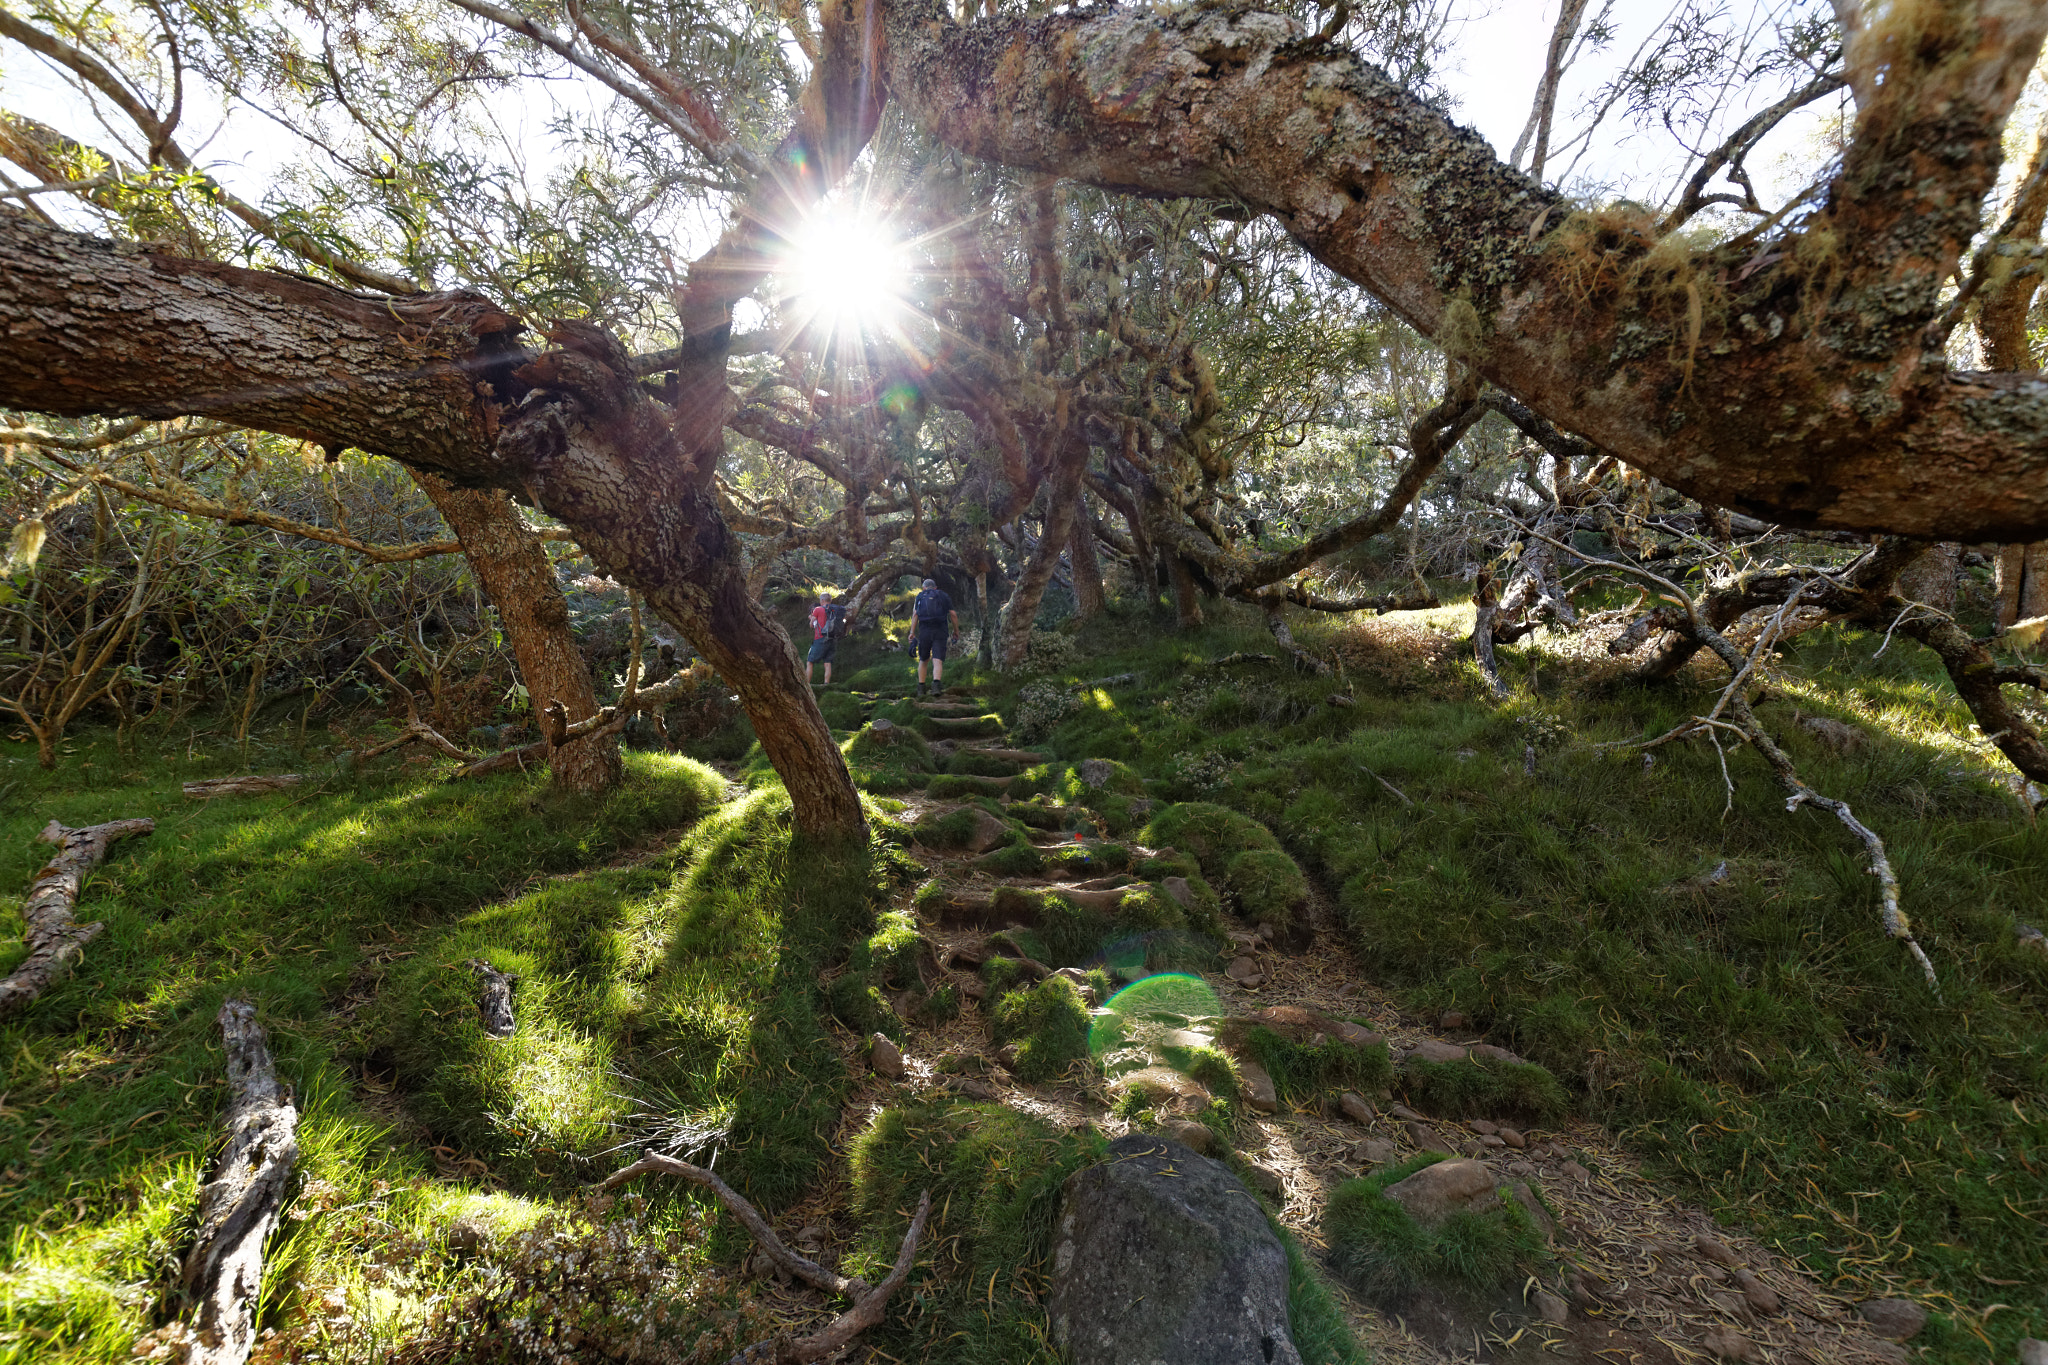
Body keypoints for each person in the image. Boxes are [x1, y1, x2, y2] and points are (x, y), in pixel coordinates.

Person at [911, 577, 959, 697]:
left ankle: (921, 688)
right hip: (940, 630)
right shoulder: (943, 595)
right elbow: (953, 614)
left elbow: (915, 614)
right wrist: (956, 631)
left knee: (923, 659)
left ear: (924, 588)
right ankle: (936, 686)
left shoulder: (920, 596)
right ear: (936, 587)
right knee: (937, 659)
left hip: (924, 631)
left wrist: (912, 632)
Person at [807, 590, 846, 687]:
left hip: (820, 638)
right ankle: (826, 684)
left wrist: (811, 619)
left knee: (810, 662)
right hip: (833, 639)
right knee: (827, 663)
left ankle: (806, 684)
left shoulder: (818, 609)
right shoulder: (836, 609)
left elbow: (812, 625)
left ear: (822, 600)